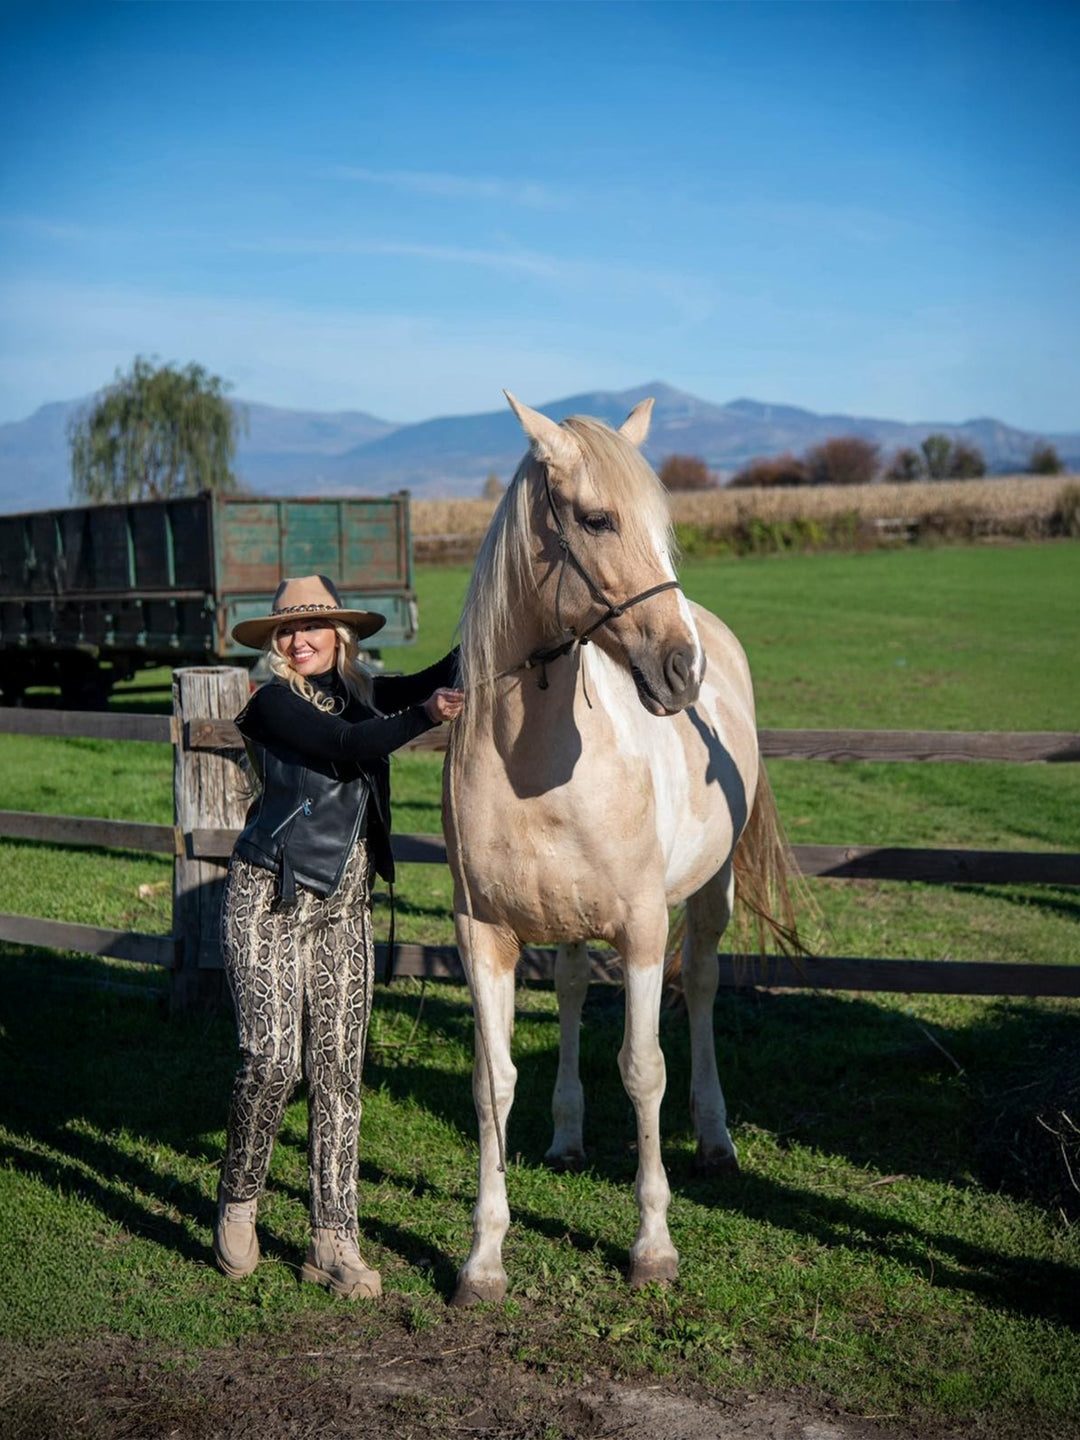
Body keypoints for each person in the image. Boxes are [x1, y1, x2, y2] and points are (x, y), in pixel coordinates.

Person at [214, 574, 463, 1298]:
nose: (299, 640)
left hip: (346, 910)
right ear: (276, 643)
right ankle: (240, 1195)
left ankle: (333, 1240)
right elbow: (350, 743)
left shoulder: (362, 689)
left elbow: (432, 675)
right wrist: (426, 716)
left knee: (338, 1074)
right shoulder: (273, 704)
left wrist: (492, 620)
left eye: (312, 626)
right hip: (270, 900)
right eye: (287, 630)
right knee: (271, 1062)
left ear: (338, 634)